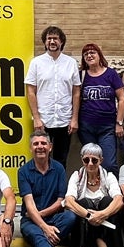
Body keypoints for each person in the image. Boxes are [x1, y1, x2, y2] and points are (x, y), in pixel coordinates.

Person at [17, 130, 79, 247]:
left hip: (54, 219)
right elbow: (29, 205)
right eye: (36, 144)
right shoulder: (23, 172)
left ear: (50, 147)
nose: (40, 147)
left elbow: (61, 201)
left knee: (71, 217)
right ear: (31, 148)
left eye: (43, 143)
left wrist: (44, 219)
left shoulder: (59, 168)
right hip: (30, 222)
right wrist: (44, 226)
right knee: (38, 234)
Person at [63, 143, 124, 247]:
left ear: (101, 160)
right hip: (84, 227)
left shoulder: (108, 176)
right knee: (83, 203)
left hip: (105, 225)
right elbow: (68, 201)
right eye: (86, 160)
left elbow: (119, 200)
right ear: (82, 160)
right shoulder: (77, 176)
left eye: (94, 160)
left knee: (108, 201)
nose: (90, 163)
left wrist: (102, 214)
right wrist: (89, 215)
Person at [24, 25, 80, 168]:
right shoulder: (36, 63)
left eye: (55, 38)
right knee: (41, 157)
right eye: (49, 38)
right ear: (45, 42)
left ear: (61, 42)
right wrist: (36, 118)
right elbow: (30, 91)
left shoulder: (71, 63)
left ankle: (59, 190)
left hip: (64, 120)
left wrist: (74, 119)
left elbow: (76, 92)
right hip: (43, 120)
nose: (52, 41)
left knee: (62, 159)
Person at [74, 43, 124, 173]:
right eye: (86, 54)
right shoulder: (82, 75)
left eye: (92, 53)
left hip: (107, 127)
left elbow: (121, 99)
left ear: (99, 55)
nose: (89, 56)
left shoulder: (111, 74)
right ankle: (93, 190)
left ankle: (112, 191)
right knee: (90, 161)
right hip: (86, 127)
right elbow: (76, 98)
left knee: (109, 163)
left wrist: (119, 123)